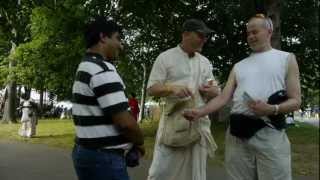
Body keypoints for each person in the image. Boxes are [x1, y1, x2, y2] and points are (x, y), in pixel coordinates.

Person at [184, 14, 301, 180]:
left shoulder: (287, 59)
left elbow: (296, 101)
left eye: (255, 32)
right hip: (236, 136)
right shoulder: (239, 66)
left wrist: (272, 108)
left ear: (269, 31)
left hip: (269, 132)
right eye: (248, 33)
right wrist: (199, 112)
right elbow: (223, 98)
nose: (251, 36)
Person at [71, 16, 144, 180]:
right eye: (118, 38)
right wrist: (139, 141)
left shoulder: (85, 66)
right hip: (104, 159)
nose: (121, 45)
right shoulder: (102, 70)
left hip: (85, 152)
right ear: (103, 37)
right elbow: (125, 123)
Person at [147, 19, 220, 180]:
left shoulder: (205, 62)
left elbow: (213, 89)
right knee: (161, 172)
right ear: (185, 34)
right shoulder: (165, 58)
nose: (204, 39)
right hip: (174, 124)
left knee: (195, 173)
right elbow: (151, 88)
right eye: (201, 35)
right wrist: (171, 88)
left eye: (206, 36)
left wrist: (213, 91)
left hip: (199, 124)